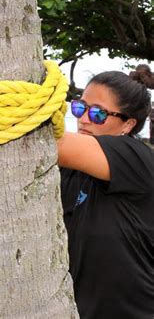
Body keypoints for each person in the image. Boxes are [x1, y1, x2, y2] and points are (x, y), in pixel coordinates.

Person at [57, 64, 154, 318]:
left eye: (98, 114)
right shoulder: (71, 173)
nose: (84, 119)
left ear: (128, 125)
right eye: (80, 108)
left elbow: (48, 145)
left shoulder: (137, 159)